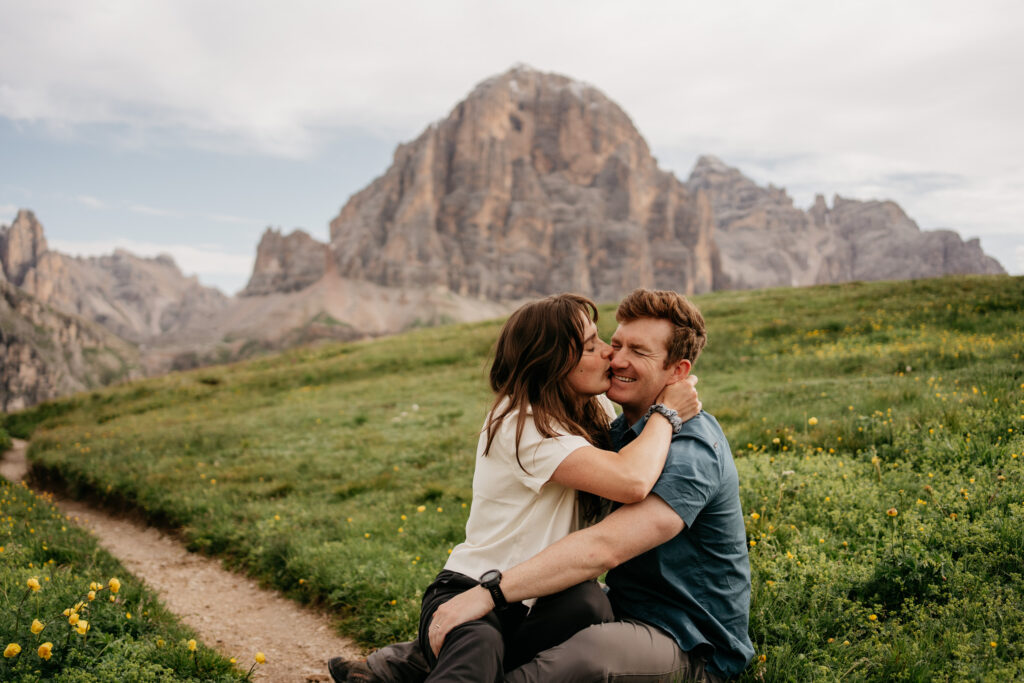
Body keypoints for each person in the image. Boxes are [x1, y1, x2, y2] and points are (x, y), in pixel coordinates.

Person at [360, 289, 754, 682]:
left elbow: (606, 544)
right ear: (553, 363)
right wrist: (664, 414)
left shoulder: (691, 451)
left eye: (638, 351)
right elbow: (627, 476)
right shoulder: (589, 427)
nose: (614, 357)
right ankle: (424, 661)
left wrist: (665, 415)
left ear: (678, 371)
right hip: (591, 605)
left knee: (586, 646)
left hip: (689, 636)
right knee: (552, 617)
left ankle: (414, 663)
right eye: (614, 344)